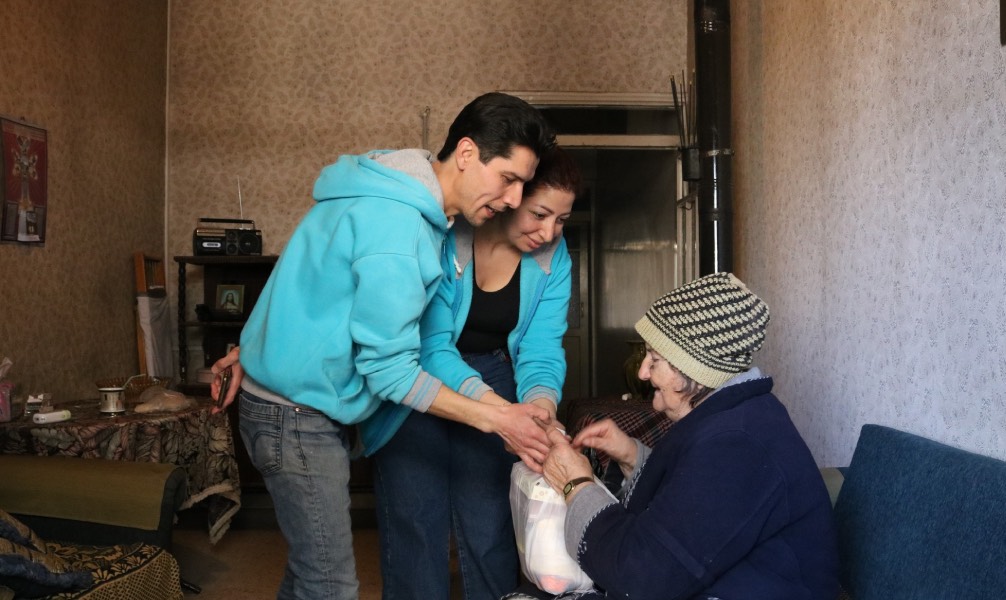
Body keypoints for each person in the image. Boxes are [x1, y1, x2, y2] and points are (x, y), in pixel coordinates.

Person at [211, 92, 557, 600]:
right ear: (466, 154)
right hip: (295, 415)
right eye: (509, 178)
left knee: (309, 574)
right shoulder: (399, 225)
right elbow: (391, 371)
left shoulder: (390, 186)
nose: (512, 199)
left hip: (290, 403)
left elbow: (311, 283)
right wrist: (498, 418)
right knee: (329, 584)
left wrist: (257, 349)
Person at [506, 272, 839, 600]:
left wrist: (575, 484)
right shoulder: (738, 419)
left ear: (695, 371)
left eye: (655, 359)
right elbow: (698, 504)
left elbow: (639, 578)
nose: (642, 372)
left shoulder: (738, 444)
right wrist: (633, 457)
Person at [362, 148, 581, 600]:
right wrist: (504, 417)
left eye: (561, 220)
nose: (549, 232)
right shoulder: (444, 235)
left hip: (499, 376)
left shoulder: (553, 257)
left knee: (490, 528)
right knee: (415, 525)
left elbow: (542, 347)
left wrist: (538, 408)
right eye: (540, 214)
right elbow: (431, 346)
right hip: (420, 377)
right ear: (509, 195)